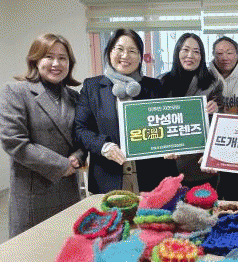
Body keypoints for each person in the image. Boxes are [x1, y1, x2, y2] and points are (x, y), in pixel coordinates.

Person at [0, 34, 86, 237]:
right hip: (33, 194)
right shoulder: (15, 92)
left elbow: (83, 136)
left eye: (62, 58)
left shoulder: (75, 96)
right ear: (35, 60)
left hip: (69, 190)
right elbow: (13, 142)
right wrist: (61, 165)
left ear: (69, 63)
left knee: (68, 247)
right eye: (49, 56)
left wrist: (79, 156)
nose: (56, 63)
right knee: (32, 250)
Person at [75, 28, 177, 194]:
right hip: (108, 178)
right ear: (109, 52)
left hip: (150, 178)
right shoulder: (92, 87)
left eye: (132, 51)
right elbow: (81, 130)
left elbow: (166, 125)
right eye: (120, 49)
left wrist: (171, 145)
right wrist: (103, 146)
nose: (125, 56)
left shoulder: (154, 86)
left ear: (140, 57)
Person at [160, 33, 223, 189]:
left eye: (196, 51)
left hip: (199, 164)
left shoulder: (213, 83)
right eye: (185, 50)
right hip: (168, 162)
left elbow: (220, 125)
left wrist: (216, 109)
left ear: (202, 56)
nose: (190, 55)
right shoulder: (162, 81)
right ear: (177, 52)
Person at [208, 36, 238, 200]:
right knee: (210, 192)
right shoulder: (205, 77)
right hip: (211, 142)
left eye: (229, 52)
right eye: (219, 53)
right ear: (213, 55)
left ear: (237, 54)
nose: (225, 57)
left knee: (234, 192)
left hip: (237, 143)